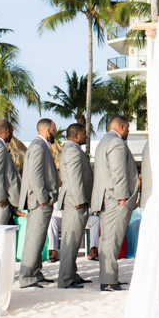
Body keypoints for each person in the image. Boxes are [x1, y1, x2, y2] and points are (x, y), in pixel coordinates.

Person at [91, 116, 140, 291]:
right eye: (127, 128)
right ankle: (109, 281)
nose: (128, 131)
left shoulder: (104, 141)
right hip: (114, 199)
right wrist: (122, 198)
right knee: (112, 240)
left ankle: (108, 277)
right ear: (121, 126)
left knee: (107, 240)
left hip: (105, 198)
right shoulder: (117, 143)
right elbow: (118, 172)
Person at [17, 119, 59, 288]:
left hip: (42, 201)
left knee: (39, 238)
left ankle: (35, 272)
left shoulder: (41, 146)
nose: (55, 132)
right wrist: (43, 198)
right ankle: (27, 276)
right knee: (34, 238)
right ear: (48, 130)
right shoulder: (37, 146)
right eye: (54, 129)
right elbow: (35, 175)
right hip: (39, 201)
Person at [57, 123, 94, 289]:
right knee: (70, 241)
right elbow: (74, 178)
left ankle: (71, 273)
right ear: (76, 135)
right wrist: (80, 200)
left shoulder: (73, 149)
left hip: (75, 201)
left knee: (73, 239)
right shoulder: (72, 151)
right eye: (84, 134)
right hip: (75, 201)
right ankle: (65, 278)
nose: (86, 136)